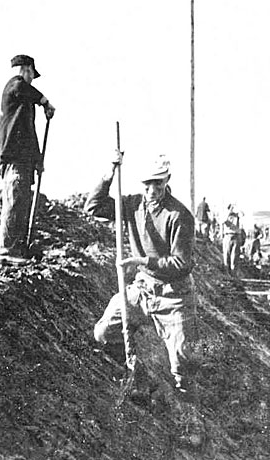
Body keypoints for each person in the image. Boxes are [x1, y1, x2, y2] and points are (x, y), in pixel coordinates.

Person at [85, 152, 196, 395]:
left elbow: (182, 263)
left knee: (182, 364)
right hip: (143, 288)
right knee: (104, 332)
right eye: (147, 184)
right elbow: (93, 207)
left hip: (174, 295)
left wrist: (142, 260)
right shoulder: (132, 204)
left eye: (158, 183)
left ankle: (186, 411)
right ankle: (141, 379)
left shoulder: (179, 215)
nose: (152, 189)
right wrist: (109, 172)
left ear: (167, 180)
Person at [0, 54, 56, 265]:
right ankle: (5, 251)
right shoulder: (15, 86)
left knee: (21, 202)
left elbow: (29, 133)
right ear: (26, 70)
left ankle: (16, 250)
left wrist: (37, 161)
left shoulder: (24, 104)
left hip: (23, 158)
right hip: (13, 156)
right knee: (15, 199)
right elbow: (22, 88)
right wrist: (44, 101)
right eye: (30, 75)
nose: (30, 79)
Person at [222, 205, 242, 272]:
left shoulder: (237, 215)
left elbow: (242, 214)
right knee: (227, 255)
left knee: (234, 256)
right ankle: (227, 271)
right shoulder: (225, 215)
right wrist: (229, 212)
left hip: (236, 236)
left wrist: (237, 211)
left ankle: (233, 272)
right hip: (228, 236)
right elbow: (224, 220)